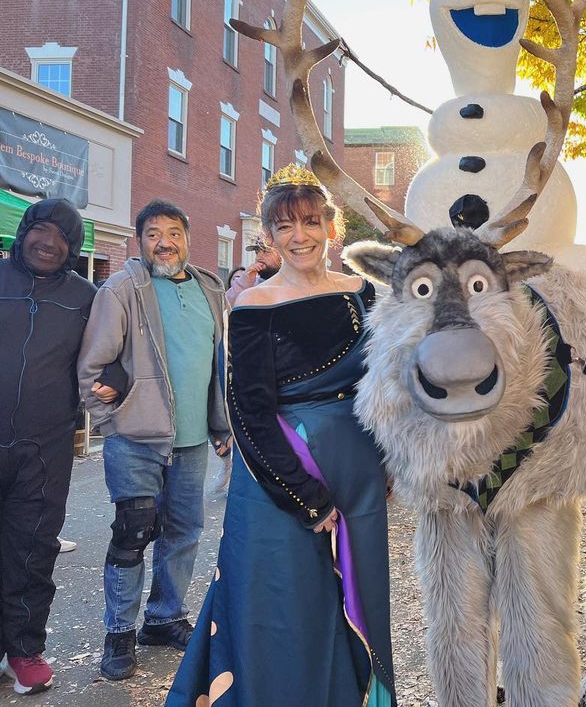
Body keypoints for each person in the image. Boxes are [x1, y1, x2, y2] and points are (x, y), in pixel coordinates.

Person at [167, 164, 395, 706]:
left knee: (358, 602)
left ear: (331, 227)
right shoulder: (254, 305)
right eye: (285, 226)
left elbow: (387, 383)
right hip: (278, 479)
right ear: (269, 235)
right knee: (282, 606)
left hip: (357, 471)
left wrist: (389, 462)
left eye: (311, 222)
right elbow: (249, 413)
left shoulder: (363, 293)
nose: (300, 237)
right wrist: (307, 498)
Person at [78, 200, 230, 681]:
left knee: (183, 532)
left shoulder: (210, 289)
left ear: (188, 237)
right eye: (152, 234)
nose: (164, 242)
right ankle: (119, 633)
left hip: (191, 442)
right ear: (139, 240)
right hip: (135, 440)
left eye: (173, 233)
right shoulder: (122, 289)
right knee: (133, 532)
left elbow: (220, 362)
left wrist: (222, 425)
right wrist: (112, 421)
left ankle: (164, 618)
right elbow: (92, 367)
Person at [0, 199, 96, 694]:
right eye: (40, 229)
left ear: (72, 247)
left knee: (33, 548)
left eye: (61, 236)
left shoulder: (86, 297)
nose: (48, 242)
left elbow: (107, 355)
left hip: (45, 447)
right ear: (23, 233)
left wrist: (113, 383)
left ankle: (23, 649)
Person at [224, 235, 281, 308]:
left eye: (266, 251)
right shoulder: (250, 284)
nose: (258, 257)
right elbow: (223, 307)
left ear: (282, 254)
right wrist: (245, 281)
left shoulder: (293, 283)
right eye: (257, 252)